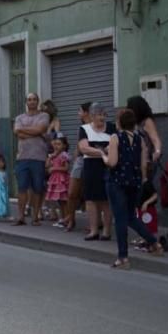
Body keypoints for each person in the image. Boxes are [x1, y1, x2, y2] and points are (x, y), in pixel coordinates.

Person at [103, 109, 164, 268]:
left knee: (121, 219)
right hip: (135, 182)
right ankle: (154, 243)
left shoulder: (115, 138)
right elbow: (143, 163)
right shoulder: (140, 139)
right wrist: (143, 180)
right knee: (130, 216)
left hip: (117, 182)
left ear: (119, 122)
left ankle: (122, 257)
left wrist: (103, 155)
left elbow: (112, 162)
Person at [78, 103, 115, 241]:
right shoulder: (84, 129)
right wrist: (101, 151)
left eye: (104, 114)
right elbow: (84, 149)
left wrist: (98, 151)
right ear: (92, 116)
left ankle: (106, 231)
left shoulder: (111, 128)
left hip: (107, 166)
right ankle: (94, 230)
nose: (102, 118)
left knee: (106, 199)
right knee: (91, 199)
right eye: (99, 115)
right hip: (90, 166)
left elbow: (114, 146)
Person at [13, 93, 50, 226]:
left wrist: (27, 131)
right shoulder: (19, 117)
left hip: (39, 157)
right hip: (23, 157)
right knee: (22, 188)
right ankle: (21, 217)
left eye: (34, 99)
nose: (32, 102)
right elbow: (17, 131)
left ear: (38, 102)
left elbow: (41, 128)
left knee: (37, 188)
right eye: (29, 100)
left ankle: (35, 217)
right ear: (26, 102)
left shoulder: (44, 116)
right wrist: (36, 132)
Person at [64, 102, 91, 233]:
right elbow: (78, 146)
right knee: (72, 193)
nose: (78, 114)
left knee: (89, 194)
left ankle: (93, 222)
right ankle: (71, 219)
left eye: (80, 111)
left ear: (86, 112)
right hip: (80, 160)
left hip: (91, 160)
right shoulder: (81, 127)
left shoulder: (94, 127)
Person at [45, 136, 71, 225]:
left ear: (64, 146)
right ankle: (63, 218)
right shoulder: (54, 155)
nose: (56, 146)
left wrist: (54, 169)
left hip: (62, 180)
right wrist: (50, 157)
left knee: (64, 200)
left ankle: (67, 218)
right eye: (55, 144)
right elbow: (47, 165)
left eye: (59, 144)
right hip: (55, 180)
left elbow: (66, 168)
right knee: (60, 201)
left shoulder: (64, 155)